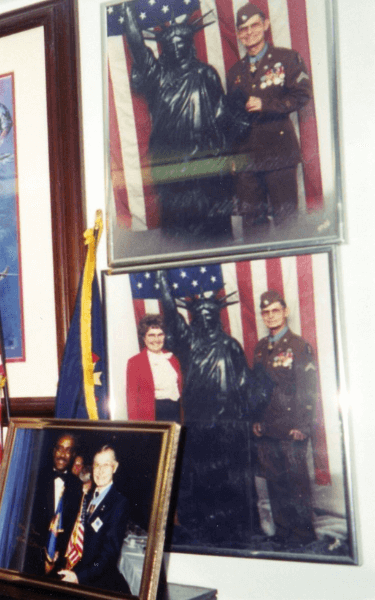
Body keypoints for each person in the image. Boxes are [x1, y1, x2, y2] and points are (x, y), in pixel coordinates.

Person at [157, 271, 264, 544]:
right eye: (199, 314)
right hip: (200, 425)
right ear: (193, 318)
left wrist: (251, 412)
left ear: (217, 316)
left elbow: (245, 382)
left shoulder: (230, 345)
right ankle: (206, 531)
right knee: (202, 478)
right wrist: (162, 280)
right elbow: (171, 314)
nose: (205, 318)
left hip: (229, 426)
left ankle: (239, 531)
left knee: (233, 479)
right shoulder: (188, 342)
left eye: (209, 314)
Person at [122, 2, 238, 239]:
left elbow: (222, 118)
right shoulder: (157, 75)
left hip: (206, 165)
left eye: (181, 44)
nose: (176, 49)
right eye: (170, 45)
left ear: (189, 45)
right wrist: (126, 9)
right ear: (163, 48)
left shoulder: (206, 73)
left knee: (214, 231)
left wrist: (227, 156)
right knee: (177, 232)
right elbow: (136, 44)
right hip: (172, 167)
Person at [227, 3, 313, 233]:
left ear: (265, 25)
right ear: (238, 33)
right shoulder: (234, 73)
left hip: (279, 154)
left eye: (254, 25)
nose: (249, 32)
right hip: (247, 159)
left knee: (287, 223)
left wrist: (266, 105)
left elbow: (302, 95)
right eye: (243, 28)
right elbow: (233, 118)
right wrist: (233, 155)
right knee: (253, 226)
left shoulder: (287, 59)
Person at [252, 290, 318, 545]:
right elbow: (257, 388)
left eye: (275, 311)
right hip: (268, 426)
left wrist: (303, 425)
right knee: (275, 482)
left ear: (286, 311)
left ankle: (303, 536)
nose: (270, 316)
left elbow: (308, 387)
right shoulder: (260, 348)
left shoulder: (298, 345)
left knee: (296, 484)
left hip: (292, 427)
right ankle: (283, 532)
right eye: (265, 312)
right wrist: (257, 419)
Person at [58, 446, 131, 594]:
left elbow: (108, 554)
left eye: (106, 465)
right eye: (97, 465)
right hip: (74, 572)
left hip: (94, 584)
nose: (100, 471)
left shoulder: (118, 503)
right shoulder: (89, 496)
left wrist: (79, 576)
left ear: (115, 467)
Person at [26, 433, 82, 576]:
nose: (62, 454)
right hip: (33, 557)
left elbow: (72, 527)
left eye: (68, 450)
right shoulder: (35, 478)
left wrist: (57, 555)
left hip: (60, 562)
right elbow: (26, 522)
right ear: (53, 451)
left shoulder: (77, 487)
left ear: (73, 455)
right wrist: (44, 555)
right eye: (59, 448)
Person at [126, 314, 183, 422]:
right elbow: (132, 400)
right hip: (152, 416)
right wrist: (136, 428)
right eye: (151, 335)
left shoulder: (172, 358)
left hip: (175, 413)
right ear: (144, 337)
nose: (156, 339)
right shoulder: (135, 362)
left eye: (160, 334)